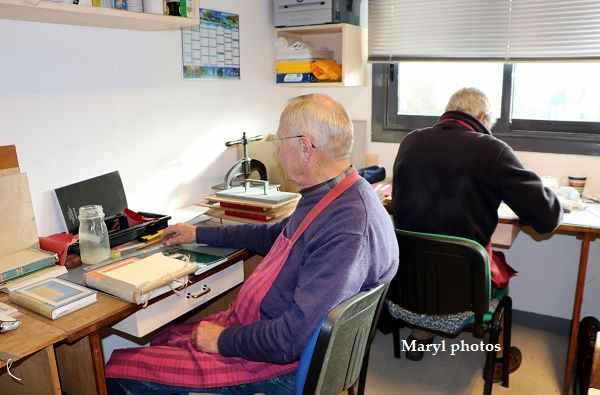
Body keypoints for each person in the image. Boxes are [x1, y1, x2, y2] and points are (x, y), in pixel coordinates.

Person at [105, 94, 399, 394]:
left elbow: (290, 339)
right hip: (270, 335)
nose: (278, 152)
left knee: (118, 373)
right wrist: (199, 234)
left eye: (279, 141)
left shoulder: (347, 228)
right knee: (166, 337)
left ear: (305, 148)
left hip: (276, 364)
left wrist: (221, 341)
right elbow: (274, 236)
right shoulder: (333, 194)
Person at [391, 88, 562, 378]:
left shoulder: (410, 141)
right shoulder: (491, 150)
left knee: (426, 246)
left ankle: (419, 335)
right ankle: (495, 356)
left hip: (407, 289)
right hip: (463, 297)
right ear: (482, 117)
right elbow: (547, 217)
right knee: (493, 271)